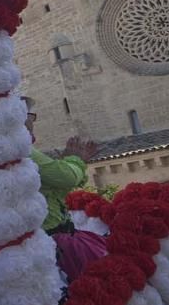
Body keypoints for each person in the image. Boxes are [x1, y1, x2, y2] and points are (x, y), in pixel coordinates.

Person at [23, 97, 107, 283]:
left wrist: (71, 163)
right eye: (29, 114)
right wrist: (75, 160)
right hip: (54, 237)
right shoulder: (23, 150)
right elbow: (66, 177)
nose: (32, 120)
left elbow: (56, 189)